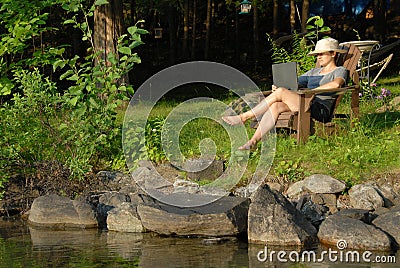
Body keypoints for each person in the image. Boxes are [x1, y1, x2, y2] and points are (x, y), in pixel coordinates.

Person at [222, 37, 348, 150]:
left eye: (322, 54)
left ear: (333, 54)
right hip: (305, 103)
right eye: (317, 54)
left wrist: (310, 92)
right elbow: (294, 83)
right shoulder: (313, 72)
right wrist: (278, 87)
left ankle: (244, 117)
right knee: (276, 105)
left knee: (281, 93)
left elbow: (336, 84)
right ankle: (253, 142)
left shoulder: (339, 70)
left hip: (320, 109)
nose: (318, 57)